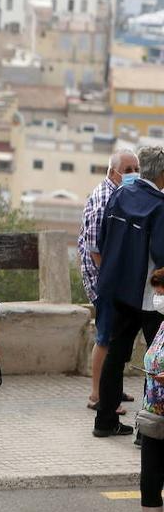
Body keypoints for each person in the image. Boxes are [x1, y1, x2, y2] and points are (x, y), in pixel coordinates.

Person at [93, 145, 164, 438]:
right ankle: (146, 432)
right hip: (149, 297)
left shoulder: (119, 195)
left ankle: (104, 421)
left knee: (115, 355)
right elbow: (161, 253)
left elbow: (102, 238)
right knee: (155, 362)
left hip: (118, 290)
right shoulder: (160, 206)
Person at [80, 150, 140, 415]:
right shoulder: (105, 197)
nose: (133, 174)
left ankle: (111, 388)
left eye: (136, 168)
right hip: (102, 280)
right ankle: (97, 394)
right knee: (105, 337)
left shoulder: (119, 193)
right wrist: (112, 277)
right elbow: (94, 246)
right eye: (128, 170)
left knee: (116, 337)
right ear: (112, 172)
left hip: (110, 279)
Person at [139, 268, 164, 512]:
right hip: (153, 416)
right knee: (149, 483)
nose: (157, 299)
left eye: (161, 292)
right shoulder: (162, 324)